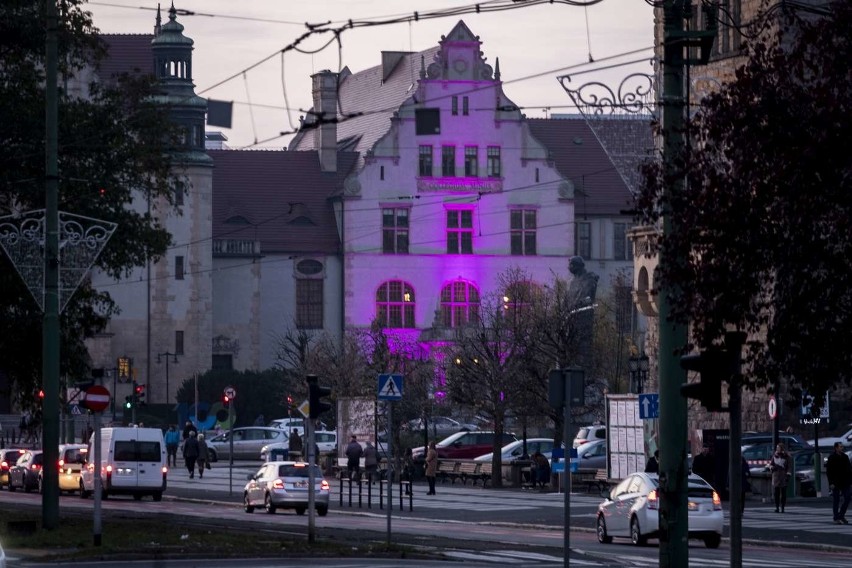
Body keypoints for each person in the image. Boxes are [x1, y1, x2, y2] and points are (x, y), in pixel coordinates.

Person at [826, 442, 852, 524]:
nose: (842, 448)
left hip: (845, 481)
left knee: (847, 498)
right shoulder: (832, 457)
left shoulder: (845, 457)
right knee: (836, 500)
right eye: (840, 447)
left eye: (842, 447)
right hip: (836, 482)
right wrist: (831, 483)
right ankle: (836, 517)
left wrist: (850, 480)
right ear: (836, 448)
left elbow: (849, 469)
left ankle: (841, 515)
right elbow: (829, 471)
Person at [769, 443, 791, 513]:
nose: (777, 449)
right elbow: (771, 464)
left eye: (778, 448)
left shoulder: (786, 457)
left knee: (783, 493)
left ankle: (783, 507)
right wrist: (772, 467)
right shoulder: (774, 456)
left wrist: (788, 475)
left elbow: (789, 467)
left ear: (781, 449)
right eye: (777, 448)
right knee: (776, 493)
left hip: (783, 476)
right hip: (776, 476)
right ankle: (777, 507)